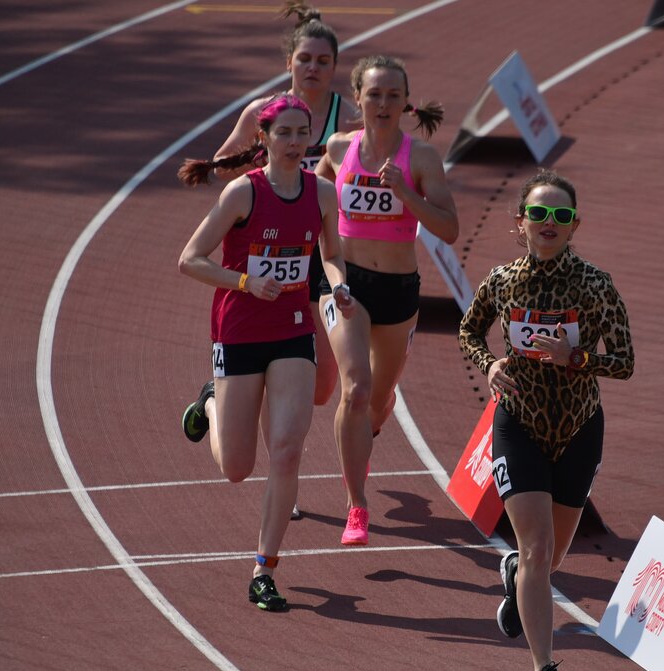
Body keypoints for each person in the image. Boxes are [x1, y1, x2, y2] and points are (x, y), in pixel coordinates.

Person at [459, 169, 635, 671]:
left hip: (579, 429)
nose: (549, 223)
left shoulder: (595, 285)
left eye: (561, 215)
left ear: (575, 224)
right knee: (536, 548)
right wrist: (489, 366)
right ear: (521, 223)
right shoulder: (503, 280)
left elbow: (625, 363)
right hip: (519, 424)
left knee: (550, 556)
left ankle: (513, 574)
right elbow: (469, 330)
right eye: (539, 214)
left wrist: (575, 358)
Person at [178, 94, 355, 612]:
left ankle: (264, 568)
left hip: (293, 329)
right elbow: (189, 259)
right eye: (286, 133)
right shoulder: (242, 193)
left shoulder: (322, 192)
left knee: (287, 449)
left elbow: (334, 255)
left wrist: (339, 286)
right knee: (236, 466)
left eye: (303, 133)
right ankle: (210, 402)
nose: (296, 142)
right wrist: (243, 281)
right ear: (265, 137)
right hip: (238, 329)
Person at [180, 1, 345, 520]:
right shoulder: (261, 114)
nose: (313, 68)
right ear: (290, 64)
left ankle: (280, 463)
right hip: (261, 254)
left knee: (322, 391)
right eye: (304, 59)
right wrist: (261, 171)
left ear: (334, 68)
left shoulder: (345, 115)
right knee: (241, 456)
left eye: (322, 60)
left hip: (313, 251)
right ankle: (231, 416)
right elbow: (225, 174)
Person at [314, 54, 458, 547]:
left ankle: (376, 416)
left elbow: (449, 228)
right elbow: (312, 205)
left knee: (374, 403)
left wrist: (407, 195)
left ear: (405, 103)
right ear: (358, 98)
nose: (383, 103)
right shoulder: (337, 148)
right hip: (348, 285)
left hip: (398, 290)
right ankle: (357, 506)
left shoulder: (420, 159)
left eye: (393, 95)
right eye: (374, 94)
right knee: (354, 389)